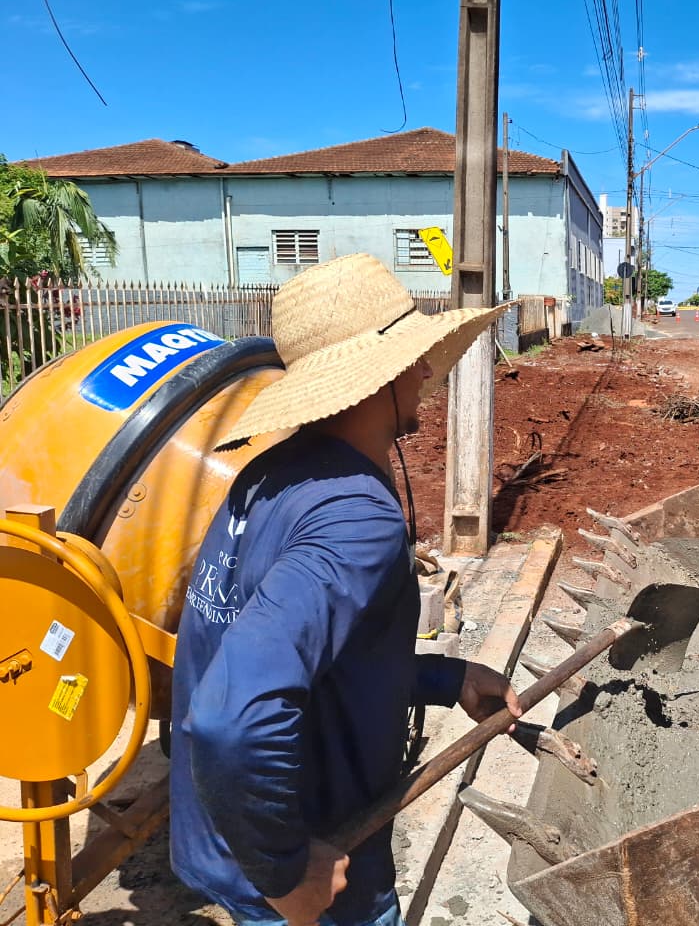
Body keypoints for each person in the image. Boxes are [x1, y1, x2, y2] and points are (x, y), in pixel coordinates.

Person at [170, 253, 519, 926]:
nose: (425, 373)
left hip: (225, 839)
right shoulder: (356, 514)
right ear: (377, 377)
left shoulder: (271, 475)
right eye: (414, 359)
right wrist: (285, 870)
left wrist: (447, 679)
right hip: (311, 867)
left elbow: (309, 658)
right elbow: (230, 715)